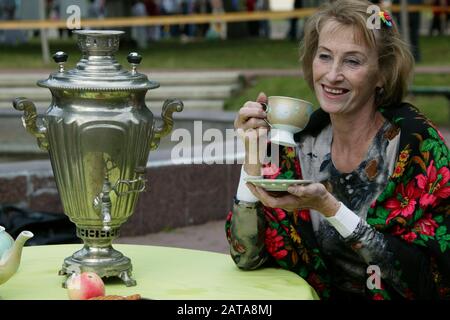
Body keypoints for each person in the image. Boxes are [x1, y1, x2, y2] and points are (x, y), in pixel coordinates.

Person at [226, 0, 450, 300]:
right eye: (325, 56)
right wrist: (252, 157)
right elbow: (246, 255)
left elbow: (428, 278)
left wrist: (330, 209)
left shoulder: (416, 144)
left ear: (382, 73)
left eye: (352, 61)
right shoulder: (301, 142)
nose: (332, 75)